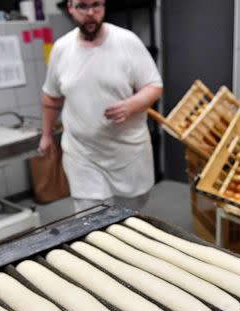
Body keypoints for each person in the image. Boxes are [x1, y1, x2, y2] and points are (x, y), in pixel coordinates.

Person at [39, 0, 163, 212]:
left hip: (127, 151)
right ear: (70, 7)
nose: (90, 13)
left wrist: (132, 105)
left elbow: (154, 86)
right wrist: (47, 135)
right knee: (90, 220)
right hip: (83, 154)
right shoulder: (61, 49)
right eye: (82, 6)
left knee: (130, 216)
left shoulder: (127, 41)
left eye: (96, 5)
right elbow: (52, 97)